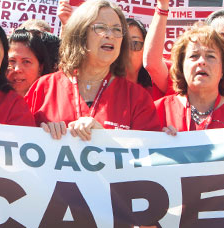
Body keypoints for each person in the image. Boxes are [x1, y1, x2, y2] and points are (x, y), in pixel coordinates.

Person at [26, 0, 160, 141]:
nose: (111, 35)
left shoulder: (137, 98)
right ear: (80, 34)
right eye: (101, 28)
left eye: (117, 29)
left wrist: (104, 139)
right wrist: (41, 136)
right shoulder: (44, 87)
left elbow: (149, 155)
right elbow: (17, 142)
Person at [154, 24, 224, 132]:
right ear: (181, 66)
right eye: (194, 56)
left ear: (223, 69)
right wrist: (157, 140)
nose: (202, 62)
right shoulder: (157, 111)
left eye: (210, 56)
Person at [7, 28, 58, 96]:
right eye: (12, 61)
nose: (17, 69)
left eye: (26, 61)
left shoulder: (50, 103)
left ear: (40, 68)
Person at [125, 17, 163, 100]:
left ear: (145, 50)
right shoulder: (99, 89)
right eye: (122, 44)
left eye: (135, 44)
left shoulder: (157, 92)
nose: (127, 50)